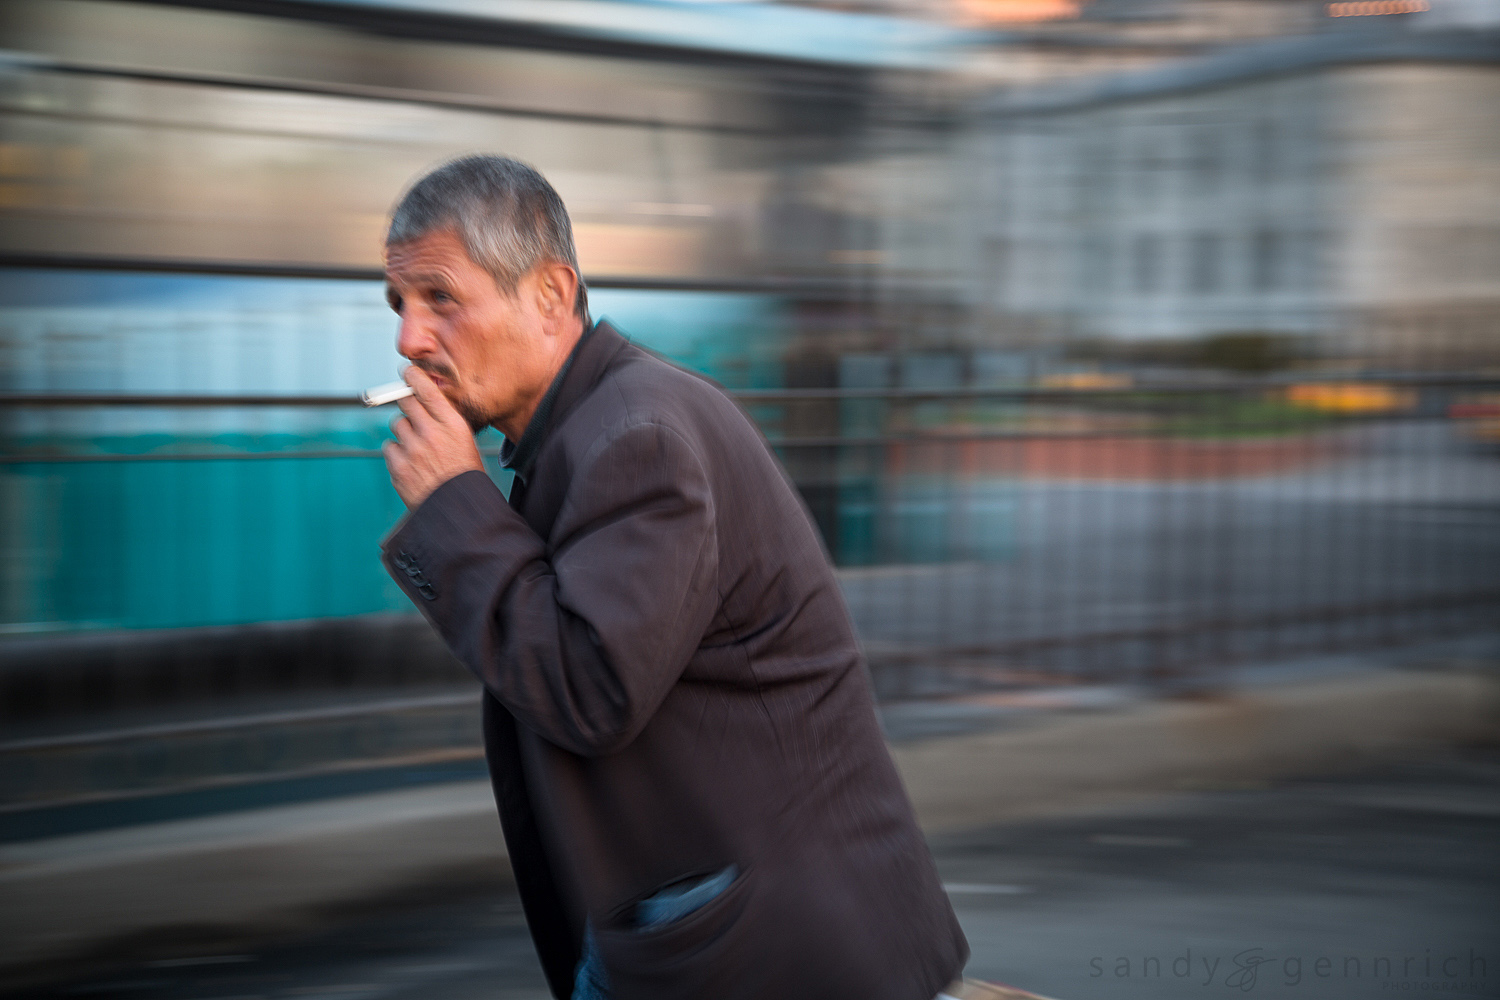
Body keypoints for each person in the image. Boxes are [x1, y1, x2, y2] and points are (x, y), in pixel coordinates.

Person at [379, 155, 968, 1000]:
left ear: (550, 295)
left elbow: (589, 690)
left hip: (764, 951)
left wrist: (453, 503)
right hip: (705, 932)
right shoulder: (591, 429)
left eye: (440, 296)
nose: (408, 337)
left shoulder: (636, 436)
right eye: (398, 303)